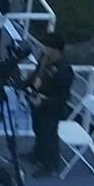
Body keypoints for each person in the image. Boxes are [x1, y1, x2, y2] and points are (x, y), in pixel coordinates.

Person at [28, 41, 76, 175]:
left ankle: (50, 164)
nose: (45, 49)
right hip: (37, 102)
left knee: (49, 135)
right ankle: (37, 154)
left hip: (53, 109)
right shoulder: (44, 60)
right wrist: (26, 85)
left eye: (48, 47)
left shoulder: (64, 70)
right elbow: (36, 74)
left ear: (57, 50)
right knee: (37, 129)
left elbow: (62, 98)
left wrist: (44, 102)